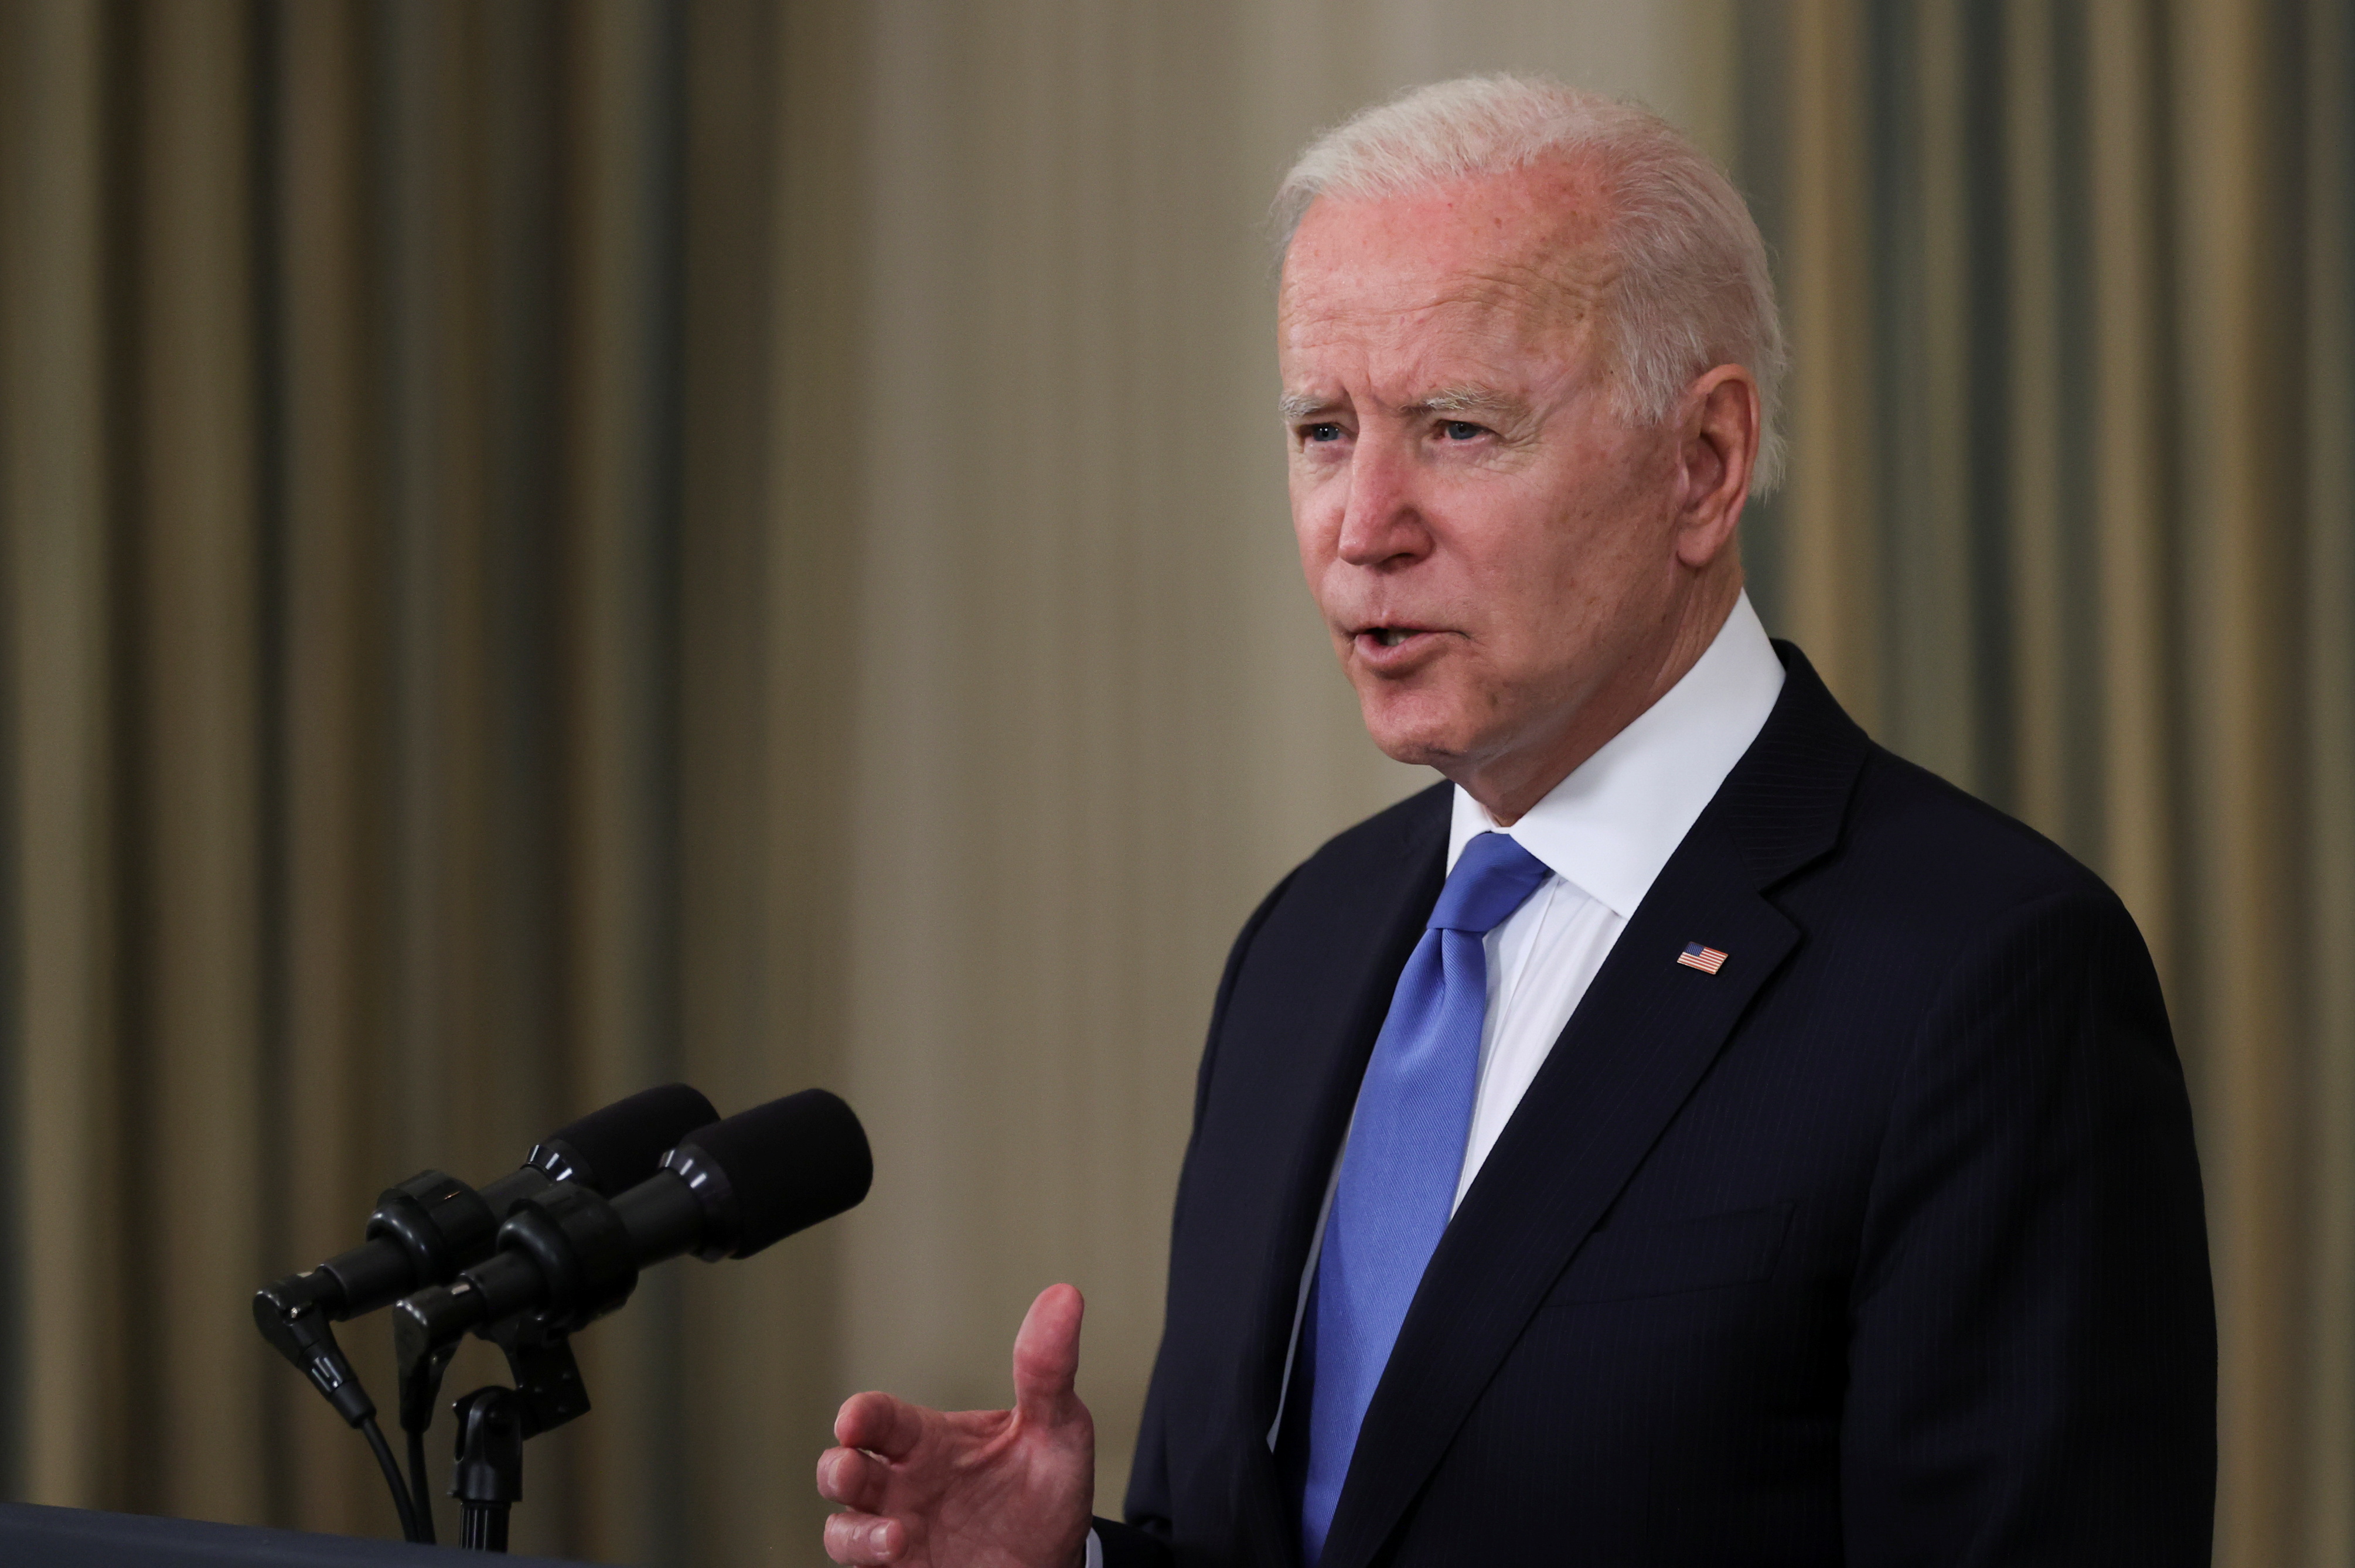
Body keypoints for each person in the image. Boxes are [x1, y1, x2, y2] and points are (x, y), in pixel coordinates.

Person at [814, 75, 2214, 1568]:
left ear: (1705, 464)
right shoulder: (1305, 944)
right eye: (1322, 430)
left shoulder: (1985, 980)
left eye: (1459, 428)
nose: (1364, 525)